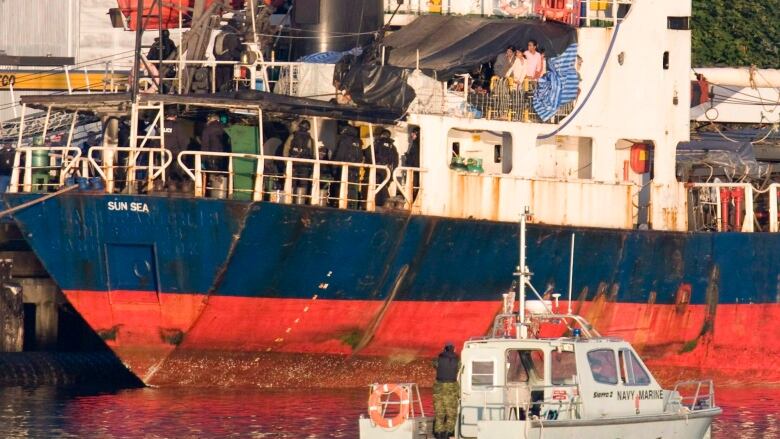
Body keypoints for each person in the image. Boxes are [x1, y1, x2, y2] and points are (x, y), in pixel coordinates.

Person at [283, 119, 315, 202]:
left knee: (291, 183)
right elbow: (313, 154)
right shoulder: (310, 140)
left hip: (293, 164)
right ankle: (300, 201)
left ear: (299, 126)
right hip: (305, 165)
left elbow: (286, 149)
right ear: (308, 128)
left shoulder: (292, 136)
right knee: (303, 184)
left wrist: (286, 163)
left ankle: (289, 200)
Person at [332, 124, 363, 208]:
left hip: (344, 170)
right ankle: (352, 206)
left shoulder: (344, 140)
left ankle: (340, 205)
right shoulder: (359, 142)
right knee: (352, 189)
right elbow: (360, 157)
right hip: (355, 171)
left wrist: (334, 168)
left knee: (341, 188)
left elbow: (340, 154)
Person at [366, 129, 399, 207]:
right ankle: (384, 203)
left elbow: (369, 153)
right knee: (383, 186)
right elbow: (396, 161)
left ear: (382, 135)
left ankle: (380, 203)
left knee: (377, 186)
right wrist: (392, 174)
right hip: (387, 169)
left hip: (377, 168)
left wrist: (370, 166)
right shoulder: (392, 146)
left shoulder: (377, 143)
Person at [433, 342, 459, 439]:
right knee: (451, 414)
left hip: (438, 389)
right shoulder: (457, 360)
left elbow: (434, 365)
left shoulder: (438, 359)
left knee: (439, 413)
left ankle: (439, 435)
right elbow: (459, 368)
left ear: (445, 349)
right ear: (453, 349)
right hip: (451, 389)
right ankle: (447, 434)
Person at [162, 107, 191, 193]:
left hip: (162, 153)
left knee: (163, 171)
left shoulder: (161, 124)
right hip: (175, 154)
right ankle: (175, 186)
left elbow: (156, 139)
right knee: (176, 173)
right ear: (175, 116)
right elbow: (183, 140)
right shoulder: (177, 126)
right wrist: (183, 153)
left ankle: (163, 184)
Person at [201, 113, 229, 198]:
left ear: (211, 119)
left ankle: (212, 193)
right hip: (225, 157)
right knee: (223, 174)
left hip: (212, 157)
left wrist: (203, 158)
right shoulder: (226, 128)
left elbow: (205, 145)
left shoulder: (208, 129)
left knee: (212, 175)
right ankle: (224, 192)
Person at [403, 127, 421, 201]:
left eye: (413, 133)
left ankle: (412, 199)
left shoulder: (417, 144)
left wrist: (408, 158)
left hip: (415, 168)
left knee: (414, 184)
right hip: (413, 167)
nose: (411, 134)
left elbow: (415, 156)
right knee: (412, 184)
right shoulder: (415, 143)